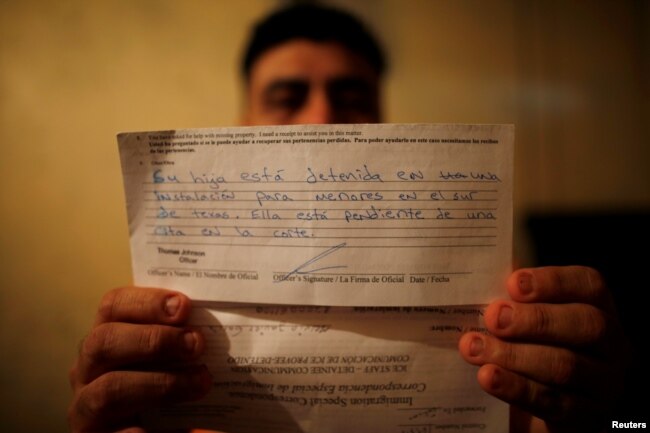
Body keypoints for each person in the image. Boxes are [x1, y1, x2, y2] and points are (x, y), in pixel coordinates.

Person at [68, 4, 630, 433]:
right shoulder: (171, 296)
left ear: (383, 117)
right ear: (239, 125)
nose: (320, 120)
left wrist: (615, 417)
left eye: (350, 95)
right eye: (287, 97)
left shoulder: (500, 281)